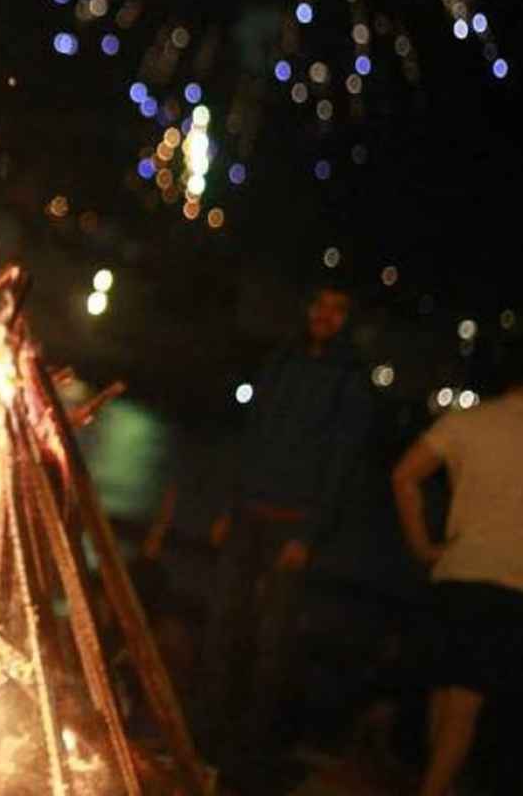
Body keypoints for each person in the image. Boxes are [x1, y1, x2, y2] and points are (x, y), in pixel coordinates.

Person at [197, 284, 373, 787]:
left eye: (338, 309)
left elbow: (342, 463)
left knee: (272, 640)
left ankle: (249, 751)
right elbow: (254, 433)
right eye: (319, 305)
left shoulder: (349, 379)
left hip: (293, 525)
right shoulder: (282, 360)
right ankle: (204, 735)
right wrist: (231, 506)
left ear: (347, 320)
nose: (325, 315)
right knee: (222, 624)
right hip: (250, 513)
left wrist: (311, 534)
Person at [391, 355, 523, 796]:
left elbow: (405, 476)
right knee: (465, 705)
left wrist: (423, 546)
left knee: (445, 692)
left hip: (455, 572)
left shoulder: (468, 423)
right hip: (507, 582)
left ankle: (438, 786)